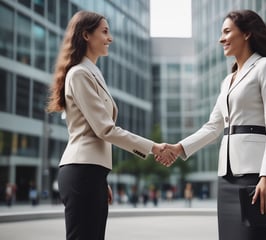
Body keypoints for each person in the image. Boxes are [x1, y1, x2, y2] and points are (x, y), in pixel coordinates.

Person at [158, 10, 266, 240]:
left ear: (247, 33)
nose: (221, 39)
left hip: (253, 176)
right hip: (226, 177)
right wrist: (179, 148)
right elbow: (213, 126)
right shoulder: (228, 80)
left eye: (227, 32)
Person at [46, 11, 173, 240]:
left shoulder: (92, 73)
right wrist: (153, 147)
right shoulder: (79, 74)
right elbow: (105, 129)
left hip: (90, 172)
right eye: (104, 31)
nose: (110, 38)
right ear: (86, 35)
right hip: (82, 171)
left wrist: (100, 178)